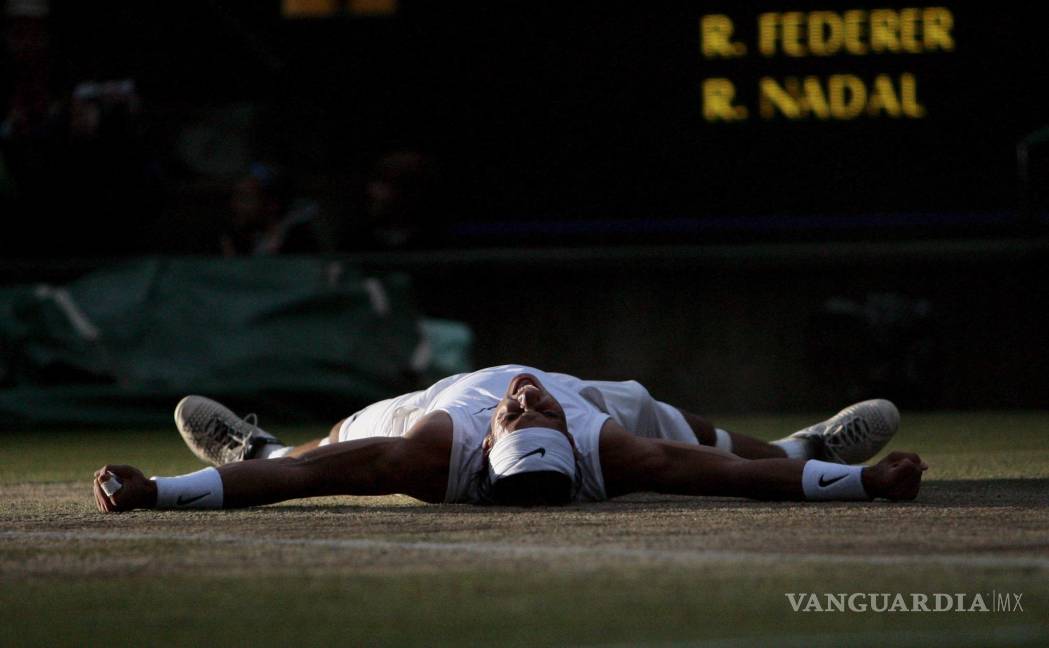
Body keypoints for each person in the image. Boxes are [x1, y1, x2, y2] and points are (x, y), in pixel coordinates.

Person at [92, 364, 927, 512]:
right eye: (538, 414)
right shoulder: (606, 445)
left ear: (490, 438)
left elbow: (300, 489)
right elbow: (723, 478)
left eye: (522, 414)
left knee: (312, 458)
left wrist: (159, 493)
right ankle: (801, 449)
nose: (527, 398)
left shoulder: (434, 450)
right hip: (596, 416)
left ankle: (258, 444)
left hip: (434, 406)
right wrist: (865, 484)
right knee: (676, 426)